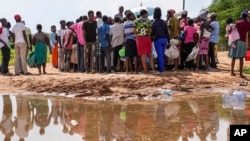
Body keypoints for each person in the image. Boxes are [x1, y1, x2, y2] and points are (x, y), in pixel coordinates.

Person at [134, 9, 156, 74]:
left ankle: (145, 70)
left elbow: (134, 31)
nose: (147, 15)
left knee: (143, 55)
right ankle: (153, 69)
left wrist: (138, 34)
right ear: (144, 14)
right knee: (149, 54)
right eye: (147, 14)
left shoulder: (136, 21)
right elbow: (150, 31)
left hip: (139, 38)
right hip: (147, 37)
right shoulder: (148, 21)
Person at [229, 12, 250, 77]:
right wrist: (248, 45)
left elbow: (230, 30)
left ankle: (232, 72)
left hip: (236, 41)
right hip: (243, 42)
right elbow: (249, 35)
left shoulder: (238, 23)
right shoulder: (249, 24)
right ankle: (240, 74)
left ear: (241, 16)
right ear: (247, 17)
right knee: (241, 58)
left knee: (234, 57)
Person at [151, 7, 170, 74]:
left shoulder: (154, 23)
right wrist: (169, 41)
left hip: (158, 40)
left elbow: (152, 33)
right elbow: (167, 32)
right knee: (162, 54)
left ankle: (161, 70)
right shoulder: (164, 22)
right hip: (164, 39)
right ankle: (161, 69)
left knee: (160, 55)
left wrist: (151, 40)